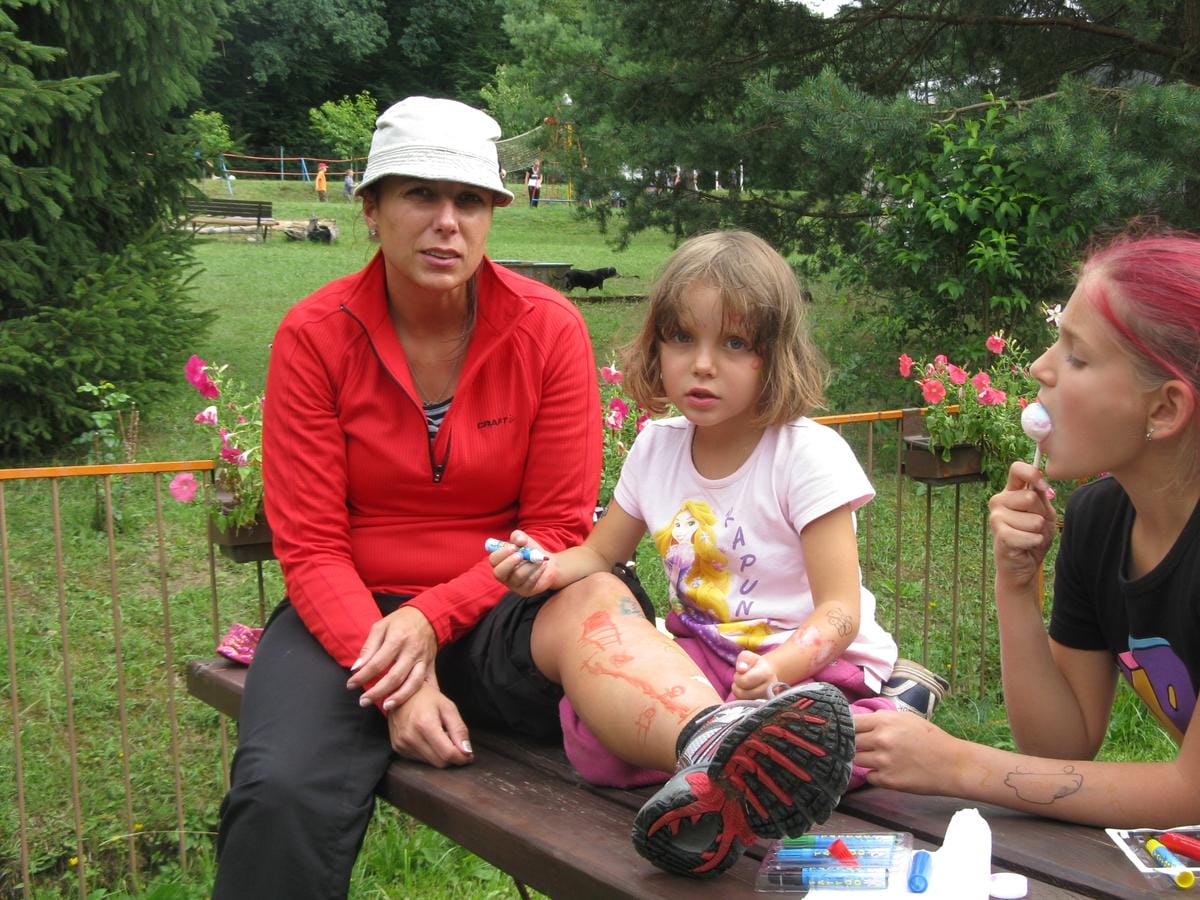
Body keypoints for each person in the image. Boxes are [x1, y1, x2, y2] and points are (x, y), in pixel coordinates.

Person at [212, 96, 603, 899]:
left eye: (469, 200)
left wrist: (430, 620)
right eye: (420, 194)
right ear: (372, 210)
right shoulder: (314, 337)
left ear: (492, 214)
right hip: (348, 612)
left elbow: (556, 526)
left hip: (504, 609)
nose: (446, 223)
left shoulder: (549, 330)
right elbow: (311, 544)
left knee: (626, 718)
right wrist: (402, 677)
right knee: (280, 791)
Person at [490, 230, 923, 878]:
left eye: (735, 343)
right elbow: (601, 554)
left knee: (818, 732)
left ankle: (877, 714)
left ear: (775, 355)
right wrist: (546, 568)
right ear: (656, 345)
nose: (702, 364)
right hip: (707, 656)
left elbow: (839, 611)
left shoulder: (806, 455)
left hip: (806, 660)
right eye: (682, 337)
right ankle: (735, 776)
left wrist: (780, 665)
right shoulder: (656, 448)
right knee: (590, 740)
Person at [856, 231, 1200, 829]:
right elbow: (1061, 747)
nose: (1040, 367)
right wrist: (1016, 586)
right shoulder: (1099, 520)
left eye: (1077, 356)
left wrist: (957, 764)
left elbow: (1190, 792)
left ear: (1165, 409)